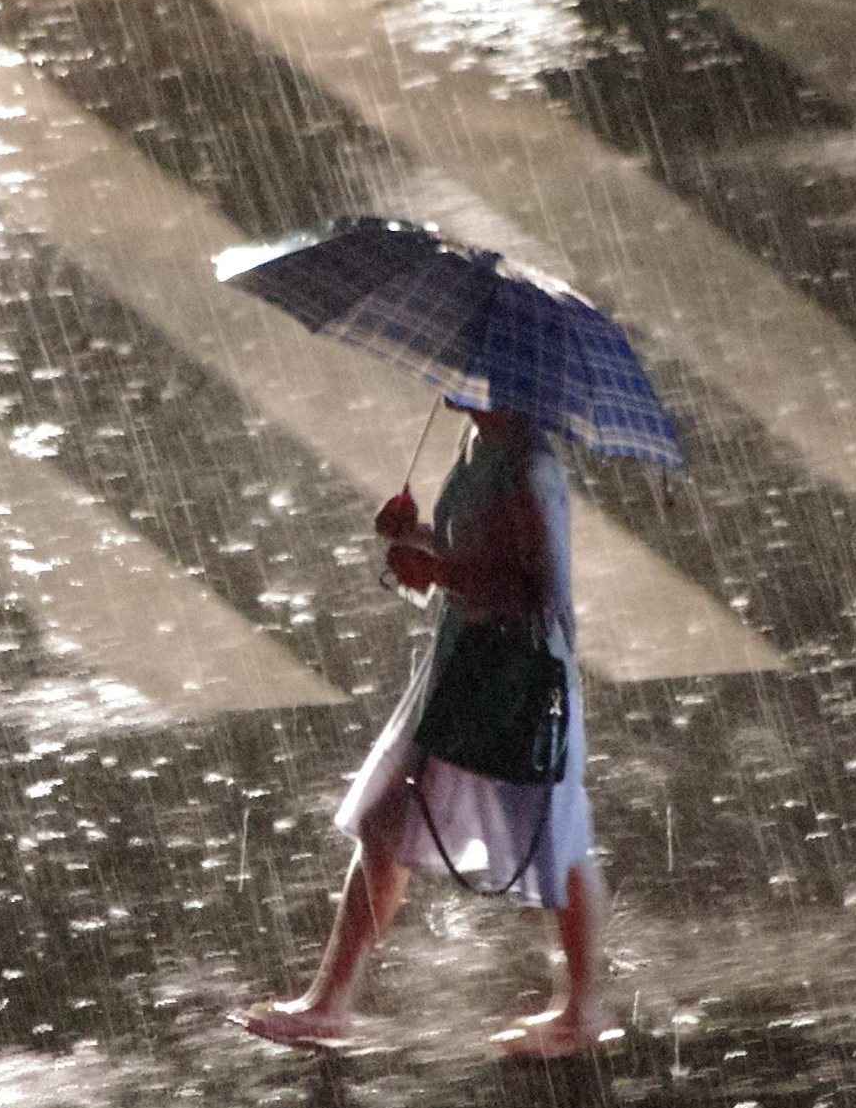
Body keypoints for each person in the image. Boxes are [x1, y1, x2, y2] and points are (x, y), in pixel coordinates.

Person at [241, 401, 613, 1057]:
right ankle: (329, 1005)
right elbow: (480, 555)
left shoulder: (529, 467)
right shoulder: (480, 442)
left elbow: (539, 593)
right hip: (464, 665)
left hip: (516, 679)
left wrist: (438, 570)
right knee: (386, 824)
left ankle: (581, 1010)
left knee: (555, 837)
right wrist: (417, 539)